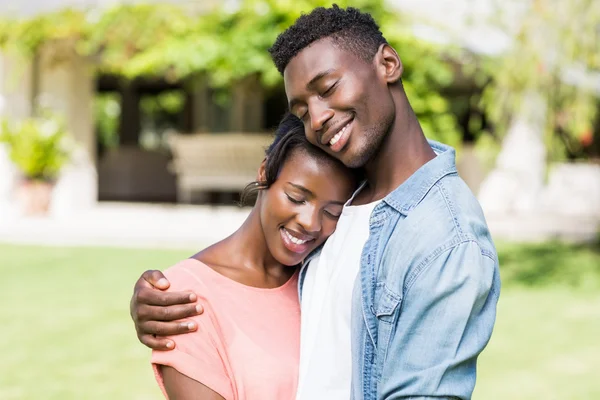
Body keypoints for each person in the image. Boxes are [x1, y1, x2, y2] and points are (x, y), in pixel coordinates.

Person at [131, 6, 500, 399]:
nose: (318, 118)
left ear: (388, 63)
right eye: (302, 110)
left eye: (327, 89)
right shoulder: (351, 194)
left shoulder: (445, 235)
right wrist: (164, 295)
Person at [147, 113, 358, 399]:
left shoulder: (326, 274)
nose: (311, 223)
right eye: (296, 197)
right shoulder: (185, 297)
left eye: (332, 212)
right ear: (264, 172)